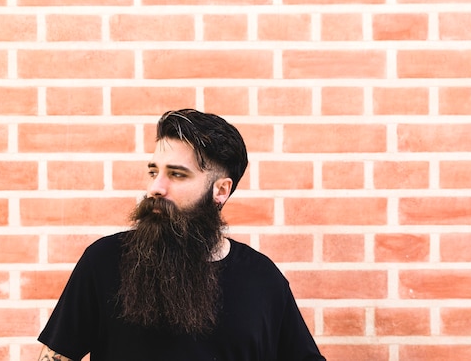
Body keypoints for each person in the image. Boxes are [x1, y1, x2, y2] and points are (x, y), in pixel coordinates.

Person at [37, 109, 327, 361]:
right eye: (154, 172)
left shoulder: (263, 279)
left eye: (176, 175)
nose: (156, 188)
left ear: (221, 190)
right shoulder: (104, 261)